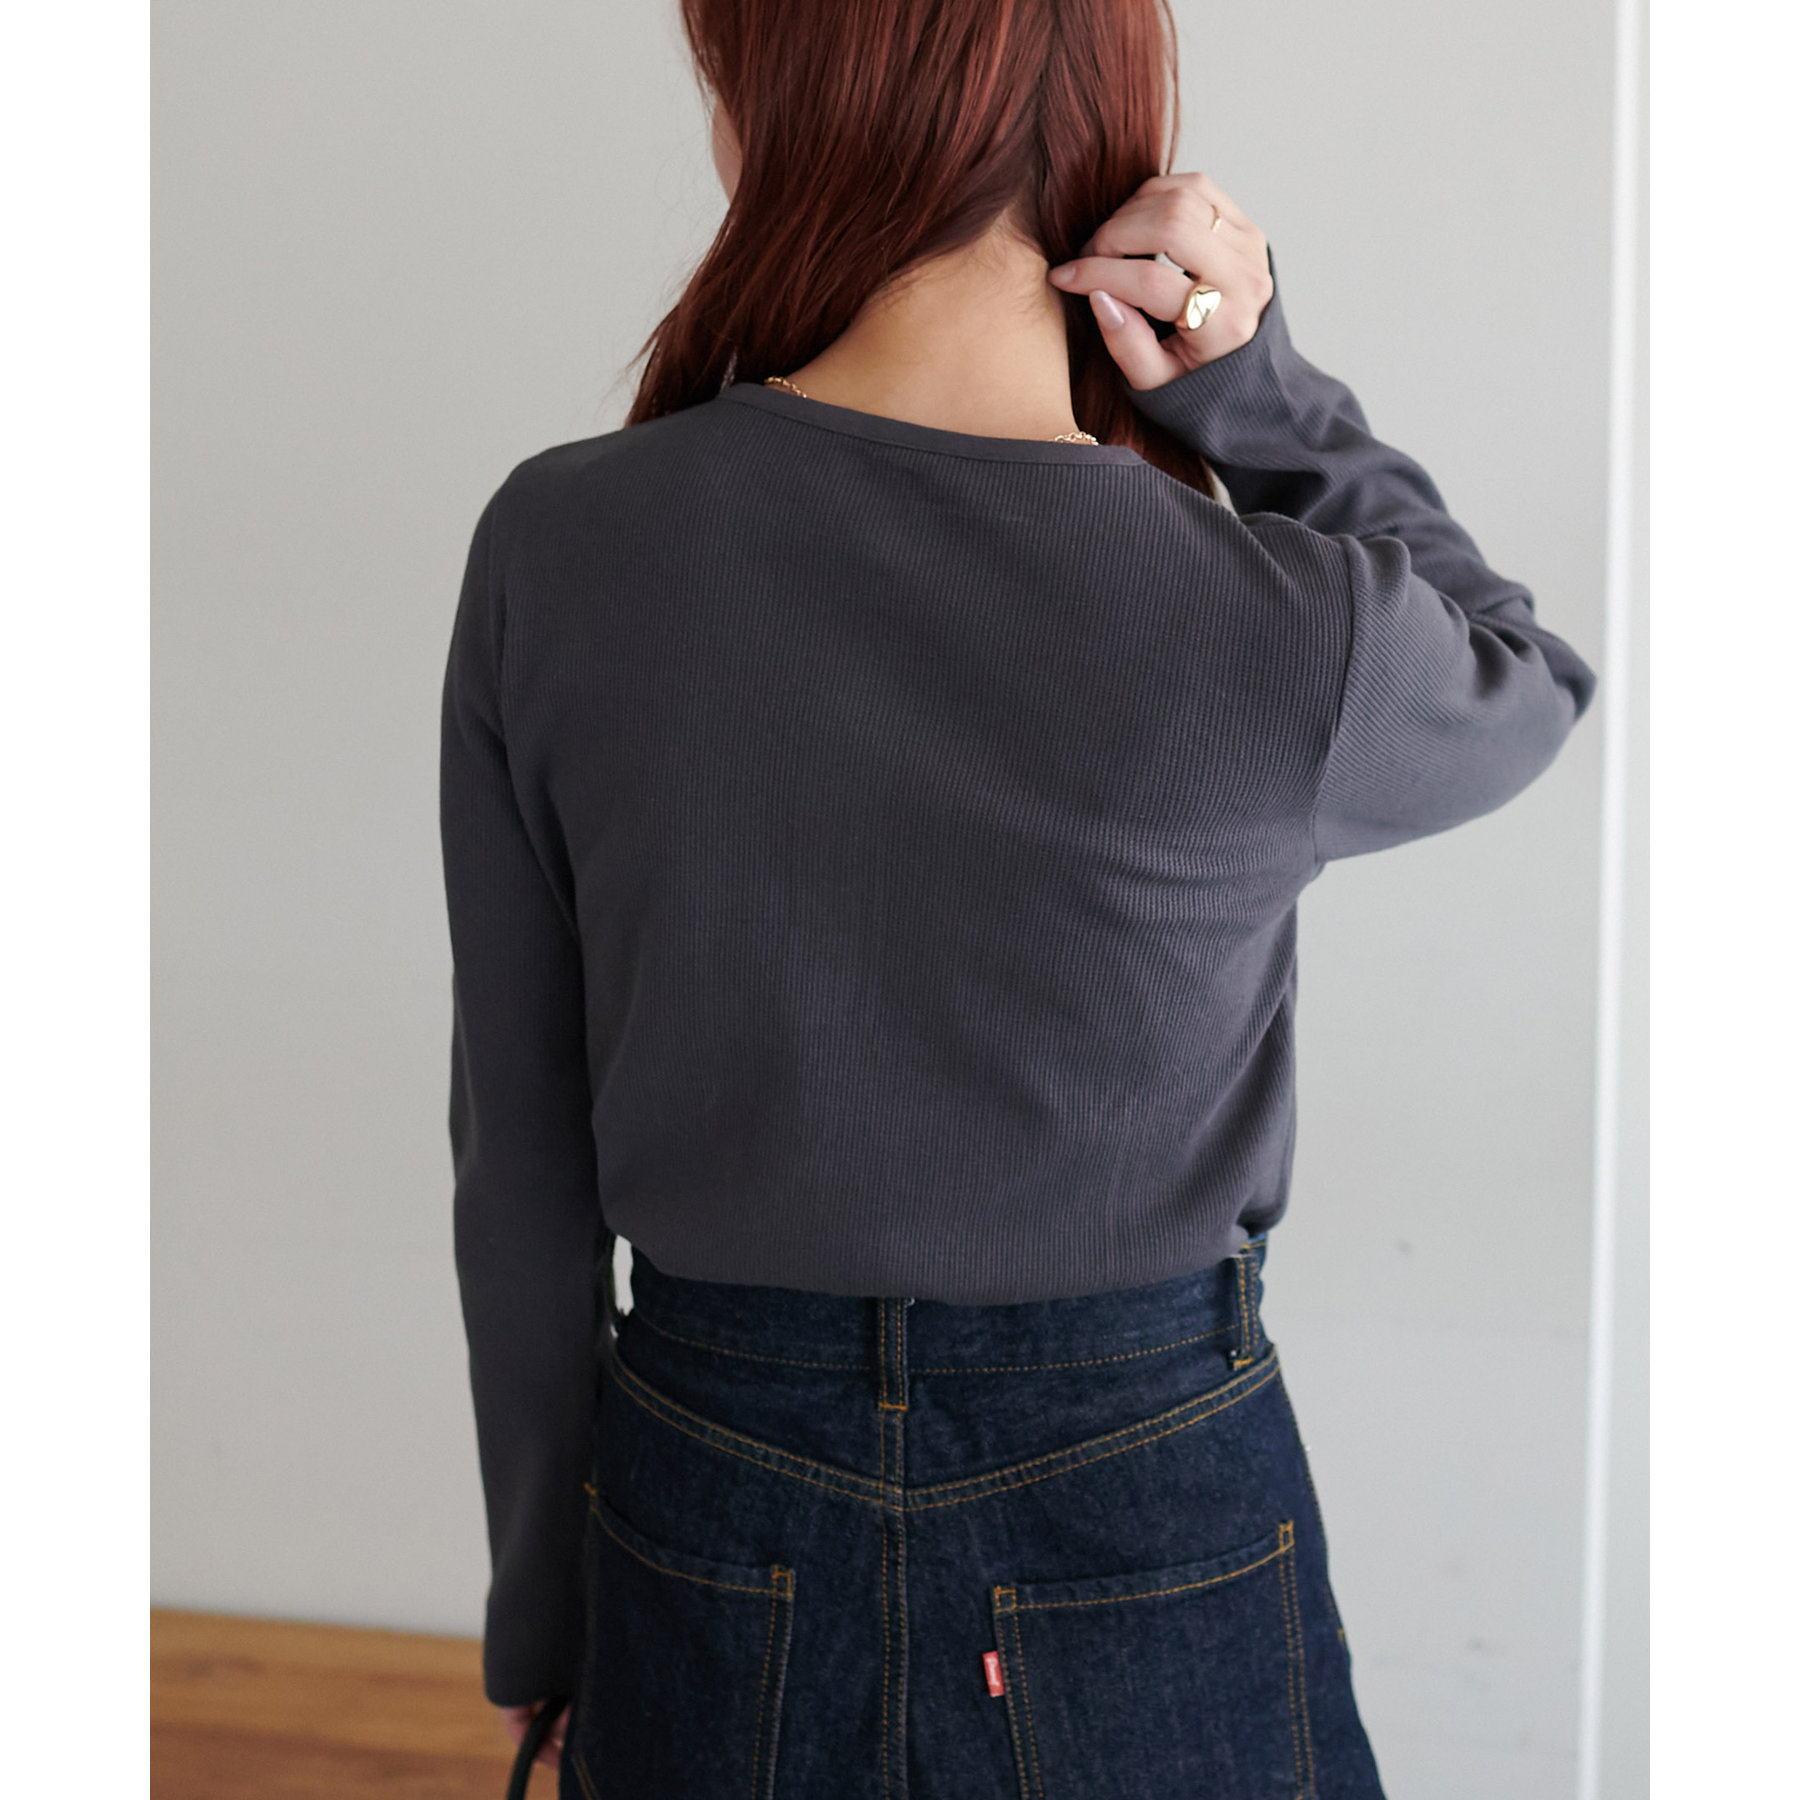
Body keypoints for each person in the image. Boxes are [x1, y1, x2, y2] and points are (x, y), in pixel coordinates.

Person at [437, 1, 1598, 1793]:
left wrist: (546, 1606)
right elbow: (1524, 676)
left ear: (786, 116)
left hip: (708, 1483)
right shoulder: (1286, 623)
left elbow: (519, 1161)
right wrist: (1251, 382)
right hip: (1145, 1480)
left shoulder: (563, 543)